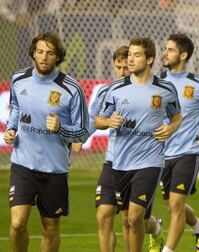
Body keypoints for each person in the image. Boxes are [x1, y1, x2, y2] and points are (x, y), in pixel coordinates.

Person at [94, 36, 182, 252]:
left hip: (150, 161)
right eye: (130, 54)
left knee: (134, 217)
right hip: (120, 162)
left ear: (150, 59)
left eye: (136, 55)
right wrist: (108, 122)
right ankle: (154, 230)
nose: (130, 60)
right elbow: (98, 120)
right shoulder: (115, 89)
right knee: (125, 218)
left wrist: (170, 128)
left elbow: (177, 117)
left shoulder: (166, 89)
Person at [3, 32, 89, 252]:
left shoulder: (72, 89)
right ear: (33, 53)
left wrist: (61, 128)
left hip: (54, 169)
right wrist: (12, 128)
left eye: (50, 53)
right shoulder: (19, 79)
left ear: (58, 57)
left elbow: (81, 133)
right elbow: (17, 109)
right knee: (17, 222)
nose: (43, 57)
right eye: (40, 52)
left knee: (50, 229)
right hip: (23, 164)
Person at [159, 34, 199, 252]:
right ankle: (198, 226)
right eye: (165, 49)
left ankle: (168, 249)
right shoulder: (158, 83)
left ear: (183, 55)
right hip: (162, 153)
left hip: (189, 152)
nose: (164, 53)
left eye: (170, 50)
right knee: (172, 205)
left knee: (176, 204)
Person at [72, 46, 131, 252]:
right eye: (118, 67)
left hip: (137, 164)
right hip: (112, 161)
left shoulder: (148, 92)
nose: (123, 72)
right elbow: (93, 118)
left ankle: (154, 229)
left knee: (129, 220)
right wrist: (81, 137)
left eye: (126, 67)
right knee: (103, 214)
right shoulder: (106, 91)